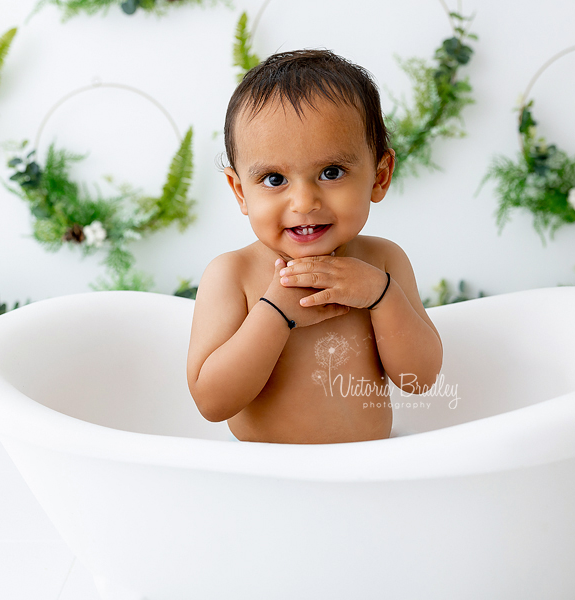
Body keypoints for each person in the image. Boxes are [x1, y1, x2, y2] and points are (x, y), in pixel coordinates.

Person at [186, 49, 443, 444]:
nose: (304, 202)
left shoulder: (383, 262)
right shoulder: (232, 275)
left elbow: (419, 380)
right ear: (240, 191)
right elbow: (211, 403)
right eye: (274, 179)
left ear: (379, 176)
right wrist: (273, 314)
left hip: (370, 468)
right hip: (267, 477)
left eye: (331, 172)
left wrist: (382, 297)